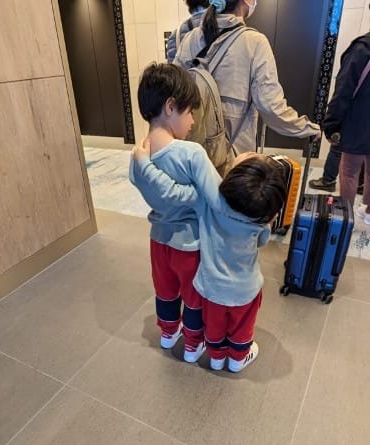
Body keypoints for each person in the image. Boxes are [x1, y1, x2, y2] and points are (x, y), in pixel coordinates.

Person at [132, 148, 287, 372]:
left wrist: (143, 162)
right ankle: (237, 359)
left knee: (214, 325)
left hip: (211, 287)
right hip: (246, 290)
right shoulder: (261, 222)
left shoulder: (207, 205)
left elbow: (169, 190)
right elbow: (262, 241)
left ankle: (215, 357)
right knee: (242, 326)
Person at [131, 62, 224, 363]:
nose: (193, 120)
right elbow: (216, 198)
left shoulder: (139, 153)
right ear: (171, 107)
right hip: (189, 244)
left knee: (166, 290)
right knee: (193, 295)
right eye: (189, 111)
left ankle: (169, 333)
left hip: (158, 240)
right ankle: (193, 345)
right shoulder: (191, 153)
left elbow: (145, 185)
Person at [173, 0, 320, 155]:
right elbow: (271, 107)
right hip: (233, 160)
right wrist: (307, 128)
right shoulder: (255, 42)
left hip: (193, 156)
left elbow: (173, 92)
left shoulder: (190, 39)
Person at [322, 31, 370, 223]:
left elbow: (343, 90)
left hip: (359, 123)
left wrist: (331, 124)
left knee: (349, 172)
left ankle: (345, 218)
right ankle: (368, 214)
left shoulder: (362, 49)